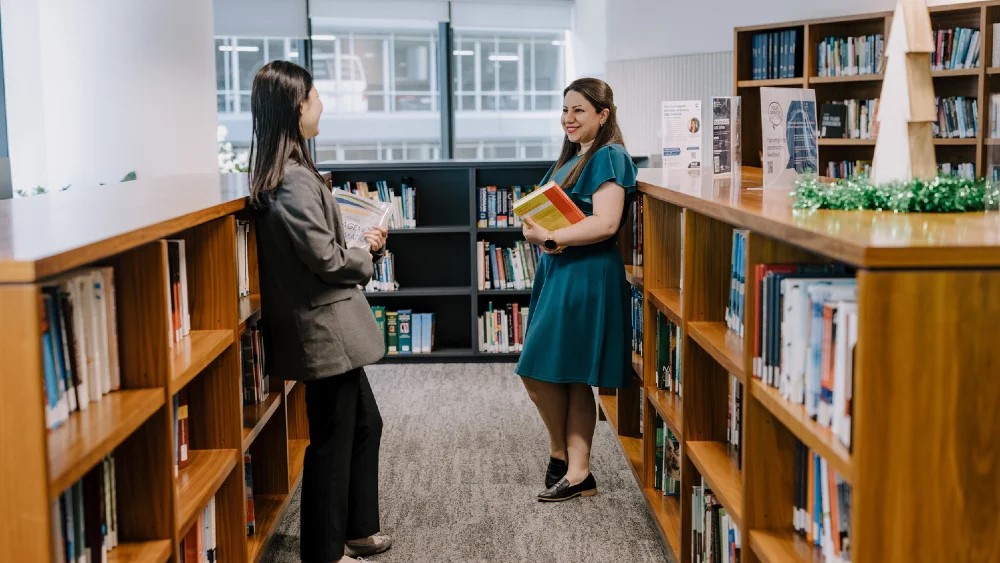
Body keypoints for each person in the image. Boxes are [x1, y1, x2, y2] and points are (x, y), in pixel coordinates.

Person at [249, 60, 392, 563]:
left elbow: (316, 248)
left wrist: (353, 242)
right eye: (315, 96)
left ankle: (357, 530)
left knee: (363, 425)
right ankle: (326, 552)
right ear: (296, 106)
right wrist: (367, 253)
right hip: (323, 329)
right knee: (333, 441)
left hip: (328, 324)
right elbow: (328, 259)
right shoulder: (292, 179)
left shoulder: (289, 173)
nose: (322, 105)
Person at [516, 77, 638, 502]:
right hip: (561, 270)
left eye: (579, 111)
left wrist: (549, 238)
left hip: (584, 272)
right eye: (565, 110)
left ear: (603, 115)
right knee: (568, 376)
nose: (568, 119)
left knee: (535, 370)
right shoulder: (573, 157)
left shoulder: (610, 156)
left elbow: (606, 222)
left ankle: (559, 455)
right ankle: (579, 471)